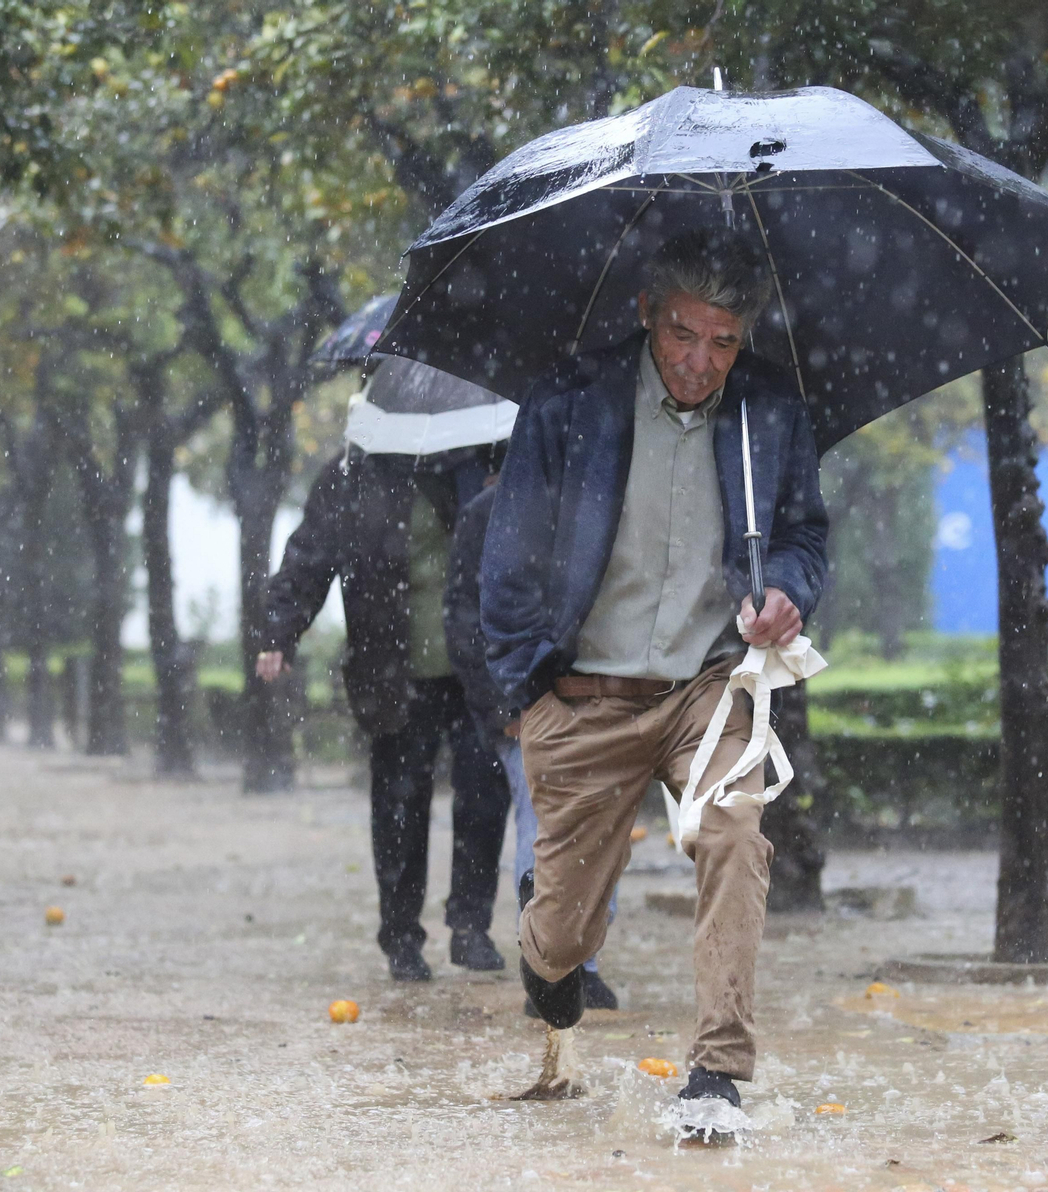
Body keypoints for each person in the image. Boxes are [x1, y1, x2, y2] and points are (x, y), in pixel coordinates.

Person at [480, 228, 828, 1119]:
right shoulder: (567, 401)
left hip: (706, 691)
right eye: (682, 333)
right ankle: (544, 942)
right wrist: (524, 687)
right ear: (645, 314)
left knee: (734, 837)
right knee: (561, 940)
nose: (700, 361)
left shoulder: (766, 413)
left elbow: (802, 537)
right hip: (583, 694)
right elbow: (508, 552)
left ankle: (717, 1073)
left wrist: (784, 590)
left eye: (723, 340)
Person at [257, 444, 511, 983]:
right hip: (392, 669)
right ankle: (400, 935)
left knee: (484, 792)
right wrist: (281, 629)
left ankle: (470, 923)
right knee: (399, 803)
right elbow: (309, 558)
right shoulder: (351, 474)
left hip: (476, 669)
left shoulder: (483, 458)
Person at [443, 475, 621, 1016]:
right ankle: (551, 963)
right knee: (541, 822)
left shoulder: (602, 496)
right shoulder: (488, 512)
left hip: (601, 692)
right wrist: (502, 705)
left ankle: (580, 958)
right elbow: (466, 615)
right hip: (524, 701)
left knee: (602, 822)